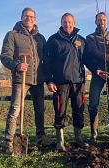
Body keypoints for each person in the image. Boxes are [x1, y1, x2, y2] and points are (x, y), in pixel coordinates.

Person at [0, 7, 49, 155]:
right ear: (21, 17)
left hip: (38, 80)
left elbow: (45, 60)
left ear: (35, 19)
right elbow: (4, 56)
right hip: (21, 79)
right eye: (26, 16)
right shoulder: (12, 35)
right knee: (15, 109)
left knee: (40, 110)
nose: (29, 19)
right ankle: (9, 140)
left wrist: (48, 78)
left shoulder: (40, 38)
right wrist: (16, 65)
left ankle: (40, 137)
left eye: (32, 17)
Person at [44, 13, 88, 151]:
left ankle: (78, 138)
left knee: (79, 110)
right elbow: (47, 63)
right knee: (60, 110)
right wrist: (49, 81)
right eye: (64, 22)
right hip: (60, 83)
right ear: (61, 23)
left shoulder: (81, 40)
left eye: (69, 22)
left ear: (74, 23)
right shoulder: (53, 40)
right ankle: (60, 141)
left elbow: (88, 59)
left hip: (78, 82)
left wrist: (99, 69)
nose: (67, 24)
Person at [84, 12, 109, 143]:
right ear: (95, 22)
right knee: (93, 103)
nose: (102, 22)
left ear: (107, 21)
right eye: (99, 20)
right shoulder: (90, 38)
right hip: (98, 74)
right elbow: (91, 54)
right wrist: (105, 58)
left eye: (104, 20)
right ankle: (94, 133)